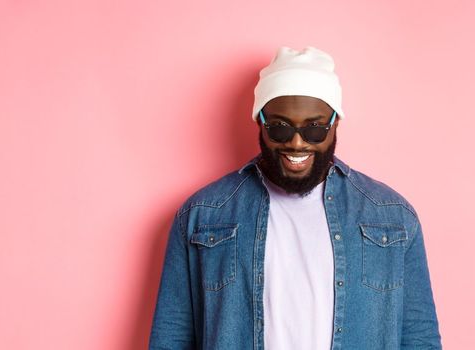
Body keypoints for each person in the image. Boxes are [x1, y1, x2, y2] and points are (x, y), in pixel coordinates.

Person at [148, 46, 441, 349]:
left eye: (314, 129)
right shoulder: (203, 214)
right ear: (259, 122)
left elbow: (419, 337)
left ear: (335, 123)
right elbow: (172, 335)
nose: (297, 142)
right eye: (279, 128)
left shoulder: (391, 216)